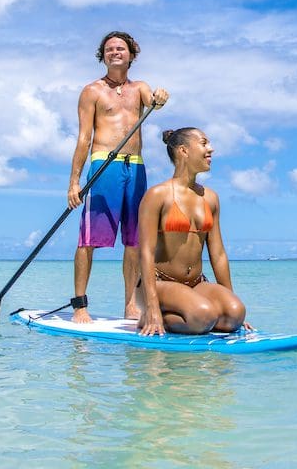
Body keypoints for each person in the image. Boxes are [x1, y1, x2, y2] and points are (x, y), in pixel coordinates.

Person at [67, 31, 168, 324]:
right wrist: (74, 181)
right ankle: (80, 305)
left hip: (135, 167)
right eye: (109, 49)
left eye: (120, 48)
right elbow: (84, 138)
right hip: (103, 166)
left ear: (131, 55)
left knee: (135, 241)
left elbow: (154, 102)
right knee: (88, 239)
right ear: (103, 55)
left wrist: (160, 98)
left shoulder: (139, 88)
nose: (115, 52)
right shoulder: (92, 91)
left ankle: (130, 305)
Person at [135, 127, 247, 335]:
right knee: (203, 317)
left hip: (196, 284)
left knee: (235, 314)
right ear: (183, 151)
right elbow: (145, 253)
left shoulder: (210, 198)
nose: (211, 149)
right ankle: (149, 317)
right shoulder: (157, 195)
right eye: (204, 143)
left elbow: (218, 254)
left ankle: (198, 313)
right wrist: (151, 308)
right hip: (159, 284)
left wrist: (228, 299)